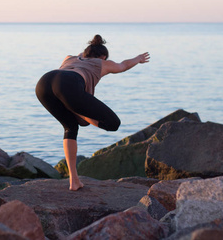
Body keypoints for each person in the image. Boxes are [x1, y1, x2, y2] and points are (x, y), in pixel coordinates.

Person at [35, 35, 150, 191]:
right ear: (102, 56)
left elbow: (78, 61)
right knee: (113, 123)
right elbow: (123, 65)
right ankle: (80, 115)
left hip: (44, 83)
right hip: (67, 84)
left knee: (70, 127)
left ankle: (74, 181)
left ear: (85, 52)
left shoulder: (69, 58)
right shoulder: (102, 63)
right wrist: (138, 58)